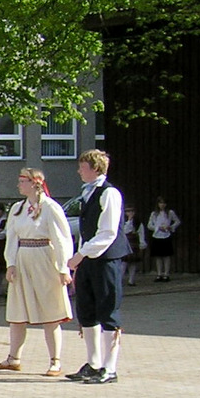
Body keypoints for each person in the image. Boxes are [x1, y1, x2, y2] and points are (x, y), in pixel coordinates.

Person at [0, 168, 73, 376]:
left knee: (51, 313)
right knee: (17, 312)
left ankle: (55, 361)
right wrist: (10, 263)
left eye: (22, 181)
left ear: (35, 183)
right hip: (23, 259)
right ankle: (13, 358)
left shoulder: (51, 207)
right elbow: (11, 237)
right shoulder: (17, 208)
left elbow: (61, 239)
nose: (18, 185)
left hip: (45, 259)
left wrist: (63, 268)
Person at [67, 149, 130, 384]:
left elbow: (108, 232)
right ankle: (93, 363)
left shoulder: (109, 193)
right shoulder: (88, 192)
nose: (78, 171)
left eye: (82, 167)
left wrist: (81, 254)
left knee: (108, 310)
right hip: (88, 260)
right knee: (87, 311)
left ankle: (109, 367)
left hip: (105, 260)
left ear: (95, 168)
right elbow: (85, 230)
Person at [147, 196, 181, 281]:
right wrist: (157, 228)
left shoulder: (170, 213)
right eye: (160, 203)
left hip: (166, 236)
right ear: (158, 204)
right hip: (157, 236)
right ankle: (159, 274)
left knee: (166, 256)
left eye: (164, 203)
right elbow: (149, 225)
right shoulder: (154, 213)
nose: (162, 205)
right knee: (158, 256)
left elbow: (177, 221)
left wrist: (170, 227)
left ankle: (166, 274)